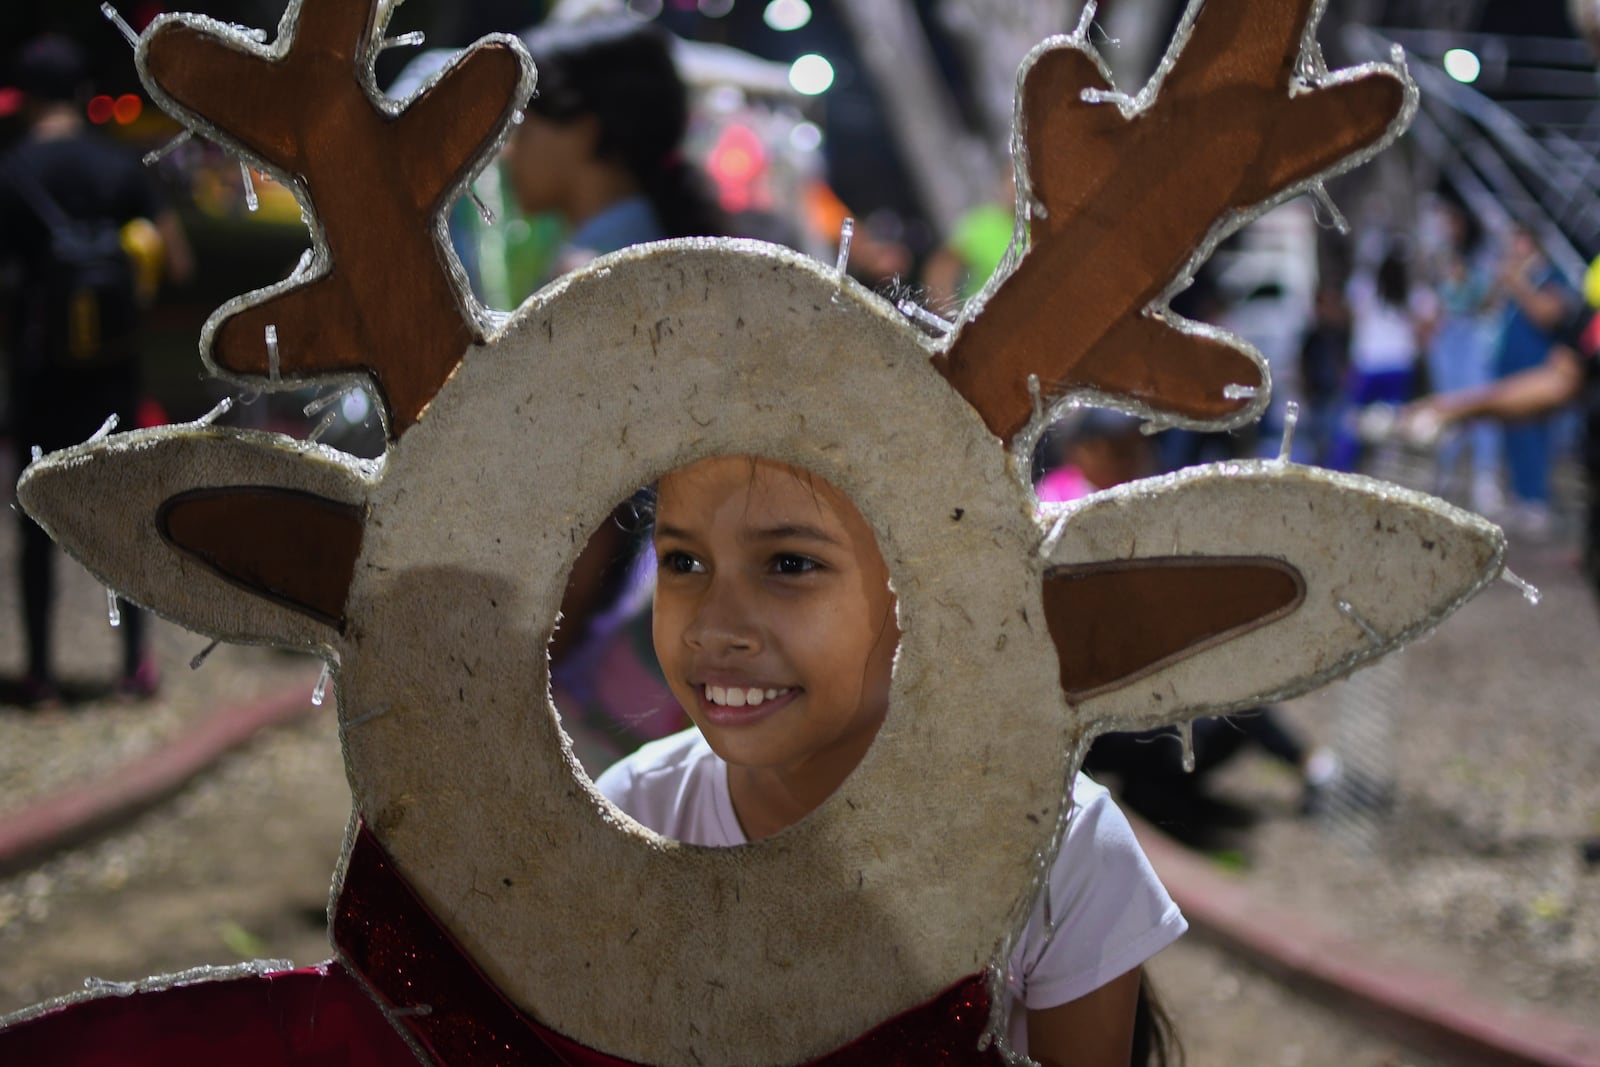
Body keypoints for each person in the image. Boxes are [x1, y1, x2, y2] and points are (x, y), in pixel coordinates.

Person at [597, 454, 1187, 1065]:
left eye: (790, 564)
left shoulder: (1061, 852)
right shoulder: (627, 818)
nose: (713, 629)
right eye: (683, 562)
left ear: (927, 580)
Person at [1035, 413, 1341, 839]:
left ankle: (1171, 791)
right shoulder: (1061, 508)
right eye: (1120, 446)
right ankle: (1169, 795)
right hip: (1087, 705)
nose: (1137, 456)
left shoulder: (1125, 505)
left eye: (1139, 444)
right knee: (1227, 701)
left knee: (1232, 688)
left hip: (1124, 686)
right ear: (1082, 451)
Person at [0, 34, 192, 707]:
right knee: (120, 516)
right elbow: (177, 263)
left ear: (23, 99)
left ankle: (42, 673)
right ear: (81, 95)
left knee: (34, 525)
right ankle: (136, 666)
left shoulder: (12, 173)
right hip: (113, 377)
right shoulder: (120, 169)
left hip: (38, 376)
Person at [506, 16, 726, 278]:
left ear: (584, 131)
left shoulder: (590, 273)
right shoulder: (657, 250)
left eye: (522, 127)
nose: (508, 151)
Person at [1486, 223, 1579, 537]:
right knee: (1511, 436)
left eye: (1520, 242)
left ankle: (1536, 500)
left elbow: (1548, 314)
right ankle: (1519, 495)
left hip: (1536, 372)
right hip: (1508, 369)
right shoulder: (1513, 281)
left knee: (1533, 437)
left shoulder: (1551, 278)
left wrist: (1520, 284)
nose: (1514, 250)